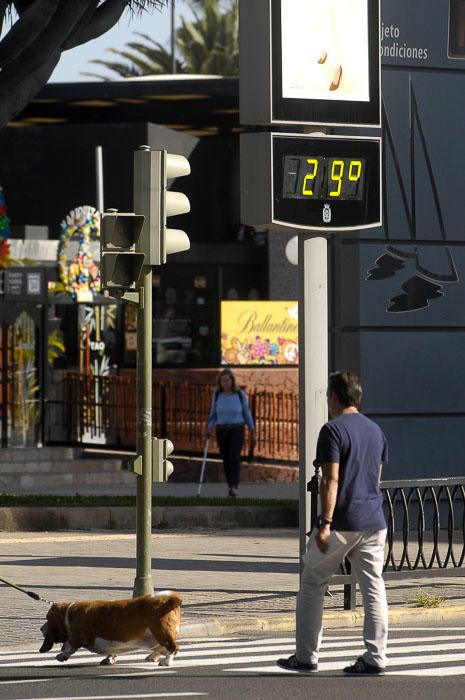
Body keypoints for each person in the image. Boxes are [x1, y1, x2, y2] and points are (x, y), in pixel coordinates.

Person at [277, 370, 389, 675]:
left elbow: (331, 479)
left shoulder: (332, 430)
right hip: (374, 520)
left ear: (334, 397)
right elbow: (375, 479)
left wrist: (325, 523)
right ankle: (376, 656)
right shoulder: (375, 431)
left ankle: (306, 656)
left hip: (341, 521)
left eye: (328, 396)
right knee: (373, 586)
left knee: (312, 581)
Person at [206, 369, 256, 497]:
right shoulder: (217, 396)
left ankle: (235, 484)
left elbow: (246, 412)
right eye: (222, 380)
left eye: (227, 380)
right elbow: (213, 414)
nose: (225, 383)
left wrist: (252, 430)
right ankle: (230, 485)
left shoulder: (240, 395)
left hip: (237, 429)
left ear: (232, 381)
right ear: (220, 382)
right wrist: (209, 427)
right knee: (226, 458)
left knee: (234, 456)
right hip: (222, 429)